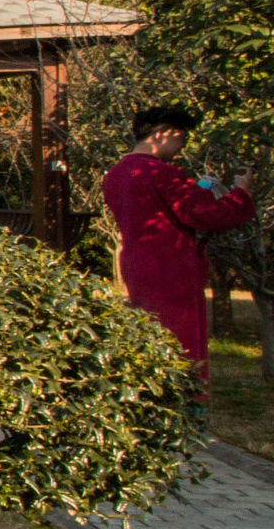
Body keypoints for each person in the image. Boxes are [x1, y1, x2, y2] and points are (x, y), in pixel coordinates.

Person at [101, 105, 255, 370]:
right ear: (162, 134)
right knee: (184, 348)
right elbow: (208, 215)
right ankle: (191, 403)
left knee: (152, 342)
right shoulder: (163, 174)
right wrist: (240, 193)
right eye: (182, 137)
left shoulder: (115, 175)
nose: (182, 146)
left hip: (138, 265)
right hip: (172, 268)